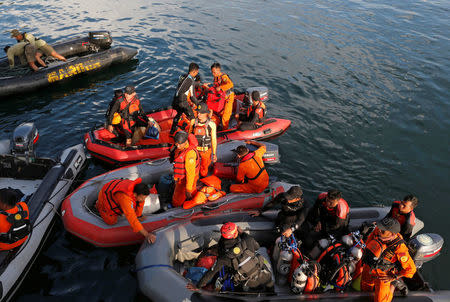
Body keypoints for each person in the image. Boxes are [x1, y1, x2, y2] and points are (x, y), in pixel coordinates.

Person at [188, 222, 274, 291]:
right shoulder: (248, 240)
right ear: (235, 234)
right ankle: (272, 292)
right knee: (270, 284)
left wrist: (198, 286)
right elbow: (257, 247)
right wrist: (243, 233)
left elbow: (211, 272)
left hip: (246, 280)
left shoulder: (223, 258)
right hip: (262, 271)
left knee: (231, 279)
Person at [360, 217, 416, 302]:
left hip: (384, 274)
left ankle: (394, 284)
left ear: (392, 233)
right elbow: (369, 242)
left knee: (381, 300)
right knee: (365, 286)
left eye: (383, 231)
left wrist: (394, 277)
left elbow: (411, 269)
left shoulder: (400, 249)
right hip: (370, 265)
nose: (379, 231)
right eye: (380, 228)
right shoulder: (377, 232)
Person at [96, 178, 156, 244]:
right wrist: (147, 235)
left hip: (114, 194)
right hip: (105, 197)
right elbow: (132, 219)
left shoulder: (137, 190)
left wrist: (139, 216)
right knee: (111, 221)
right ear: (135, 194)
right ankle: (98, 205)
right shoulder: (125, 198)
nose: (143, 199)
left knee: (138, 202)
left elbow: (140, 203)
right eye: (142, 197)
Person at [171, 131, 200, 207]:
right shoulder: (179, 149)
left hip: (187, 179)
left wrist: (188, 189)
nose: (177, 146)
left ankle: (178, 207)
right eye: (176, 144)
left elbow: (190, 173)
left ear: (186, 142)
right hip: (180, 178)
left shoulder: (190, 153)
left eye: (180, 144)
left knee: (178, 198)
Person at [170, 63, 201, 134]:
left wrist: (200, 84)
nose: (197, 73)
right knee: (193, 118)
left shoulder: (184, 76)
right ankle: (190, 134)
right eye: (197, 72)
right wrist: (198, 104)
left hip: (175, 101)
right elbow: (192, 97)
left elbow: (184, 85)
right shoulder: (191, 81)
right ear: (194, 72)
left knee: (178, 114)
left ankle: (172, 131)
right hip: (183, 102)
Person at [188, 103, 217, 177]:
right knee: (194, 167)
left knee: (204, 167)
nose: (198, 115)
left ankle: (203, 178)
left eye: (201, 113)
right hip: (195, 150)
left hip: (206, 151)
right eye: (198, 112)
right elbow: (189, 136)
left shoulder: (211, 124)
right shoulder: (193, 122)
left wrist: (214, 154)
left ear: (206, 114)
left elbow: (213, 140)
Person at [204, 62, 234, 130]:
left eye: (214, 72)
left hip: (228, 97)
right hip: (222, 97)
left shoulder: (224, 77)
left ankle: (225, 130)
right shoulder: (216, 78)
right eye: (212, 72)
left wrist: (221, 87)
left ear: (218, 70)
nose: (213, 74)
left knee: (225, 116)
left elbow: (230, 84)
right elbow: (215, 87)